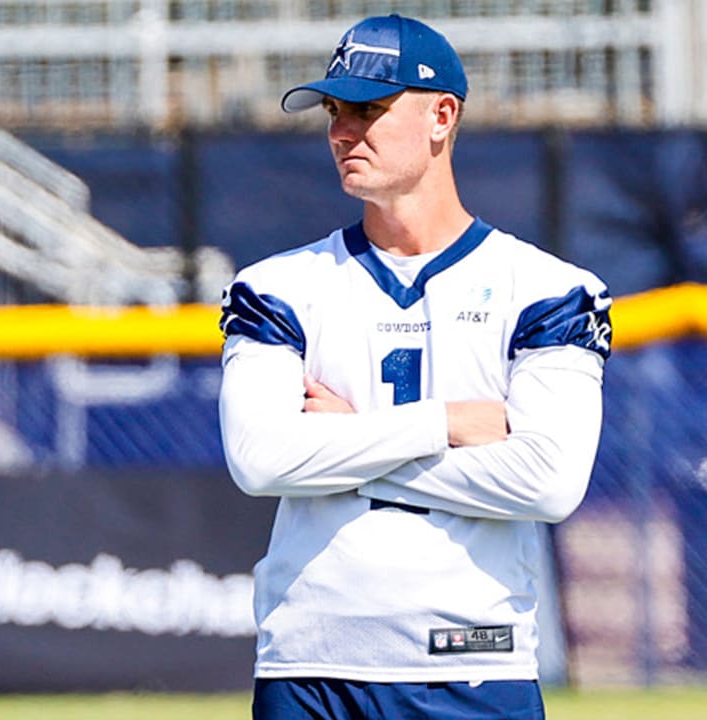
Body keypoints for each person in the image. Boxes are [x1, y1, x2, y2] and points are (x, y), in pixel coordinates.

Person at [218, 14, 611, 720]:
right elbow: (260, 461)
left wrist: (352, 438)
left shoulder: (550, 288)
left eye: (369, 109)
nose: (343, 131)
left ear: (442, 116)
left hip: (475, 663)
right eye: (336, 111)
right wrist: (445, 422)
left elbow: (550, 484)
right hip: (309, 663)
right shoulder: (276, 285)